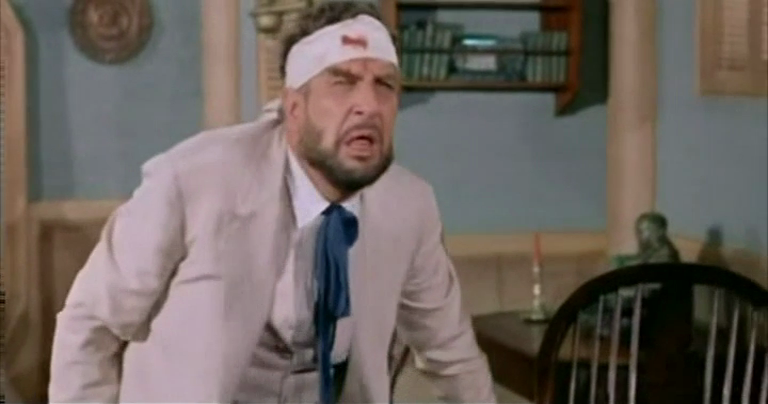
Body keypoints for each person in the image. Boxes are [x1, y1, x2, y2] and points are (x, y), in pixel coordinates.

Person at [48, 2, 497, 403]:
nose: (369, 104)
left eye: (384, 84)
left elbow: (451, 352)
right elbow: (90, 327)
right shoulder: (194, 180)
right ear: (293, 108)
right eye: (343, 82)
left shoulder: (409, 205)